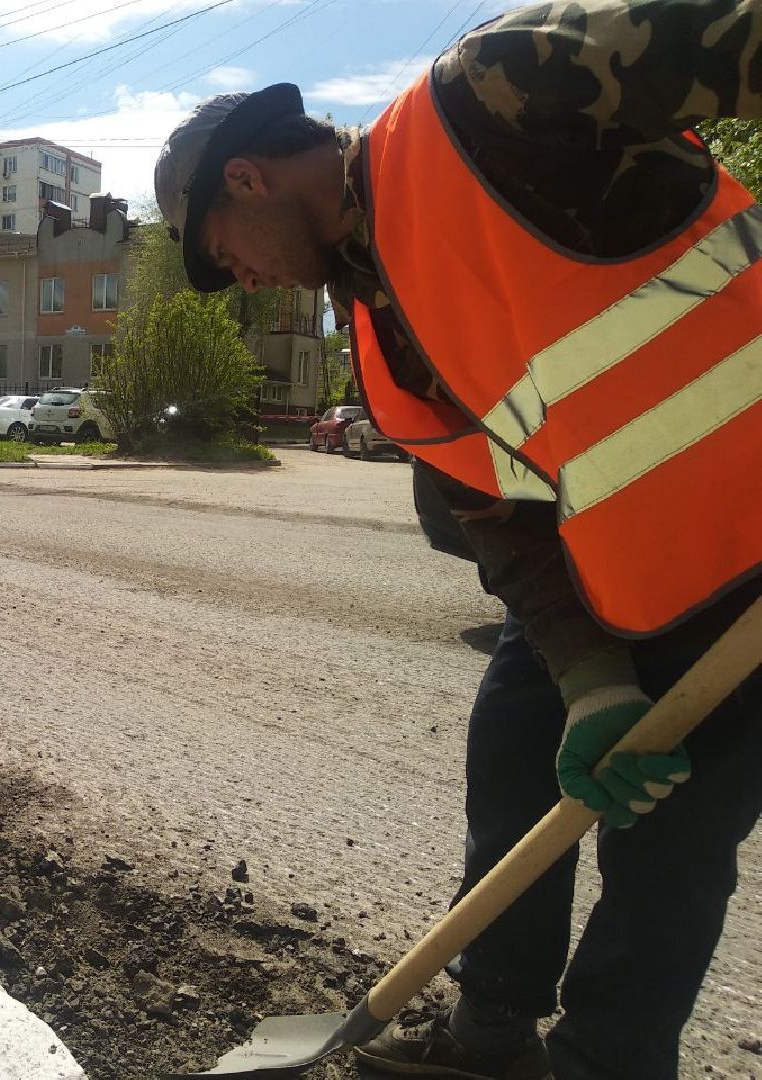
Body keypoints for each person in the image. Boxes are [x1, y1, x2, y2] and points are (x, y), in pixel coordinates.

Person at [153, 3, 762, 1078]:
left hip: (745, 564)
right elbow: (493, 518)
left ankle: (606, 1066)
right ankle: (490, 1035)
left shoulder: (488, 94)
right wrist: (589, 676)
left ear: (245, 180)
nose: (241, 282)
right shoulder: (381, 337)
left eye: (223, 258)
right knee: (513, 754)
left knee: (665, 840)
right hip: (616, 578)